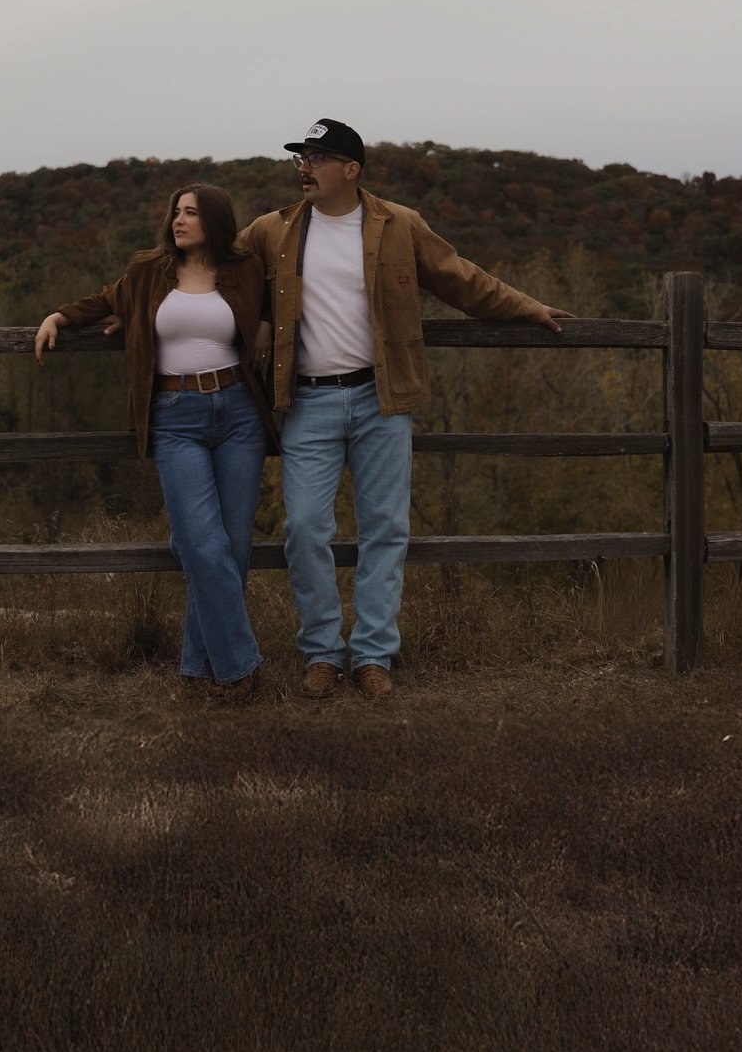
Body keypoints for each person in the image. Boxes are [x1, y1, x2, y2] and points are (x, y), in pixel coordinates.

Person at [240, 119, 573, 700]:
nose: (303, 168)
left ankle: (372, 656)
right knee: (304, 529)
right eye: (300, 158)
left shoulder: (400, 225)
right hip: (308, 403)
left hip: (382, 399)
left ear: (351, 169)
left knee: (386, 530)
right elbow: (209, 270)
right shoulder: (274, 230)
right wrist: (122, 308)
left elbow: (462, 279)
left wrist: (525, 307)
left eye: (316, 158)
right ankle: (321, 653)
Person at [35, 184, 271, 702]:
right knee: (203, 547)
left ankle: (196, 670)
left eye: (191, 212)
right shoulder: (148, 272)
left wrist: (268, 324)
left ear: (215, 220)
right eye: (176, 212)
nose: (179, 220)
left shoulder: (245, 269)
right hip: (175, 417)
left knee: (230, 549)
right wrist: (60, 316)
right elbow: (105, 300)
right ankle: (241, 673)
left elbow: (275, 300)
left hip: (237, 414)